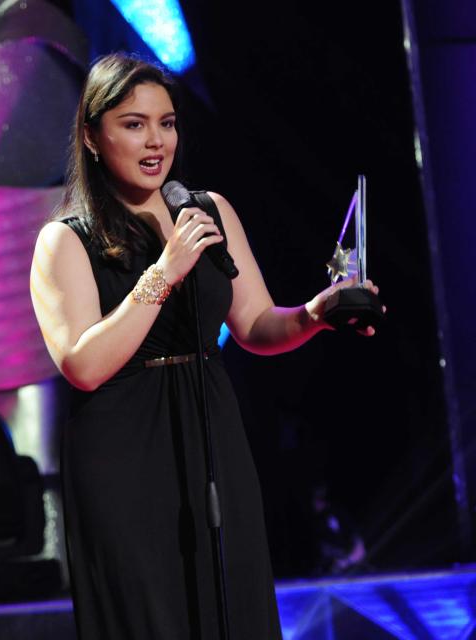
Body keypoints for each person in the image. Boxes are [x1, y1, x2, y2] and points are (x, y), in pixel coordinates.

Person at [29, 53, 381, 639]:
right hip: (121, 454)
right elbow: (84, 365)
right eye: (133, 123)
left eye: (166, 123)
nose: (156, 140)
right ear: (92, 136)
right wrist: (163, 272)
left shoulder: (208, 211)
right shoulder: (66, 240)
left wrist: (318, 313)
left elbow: (256, 325)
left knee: (230, 601)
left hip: (210, 431)